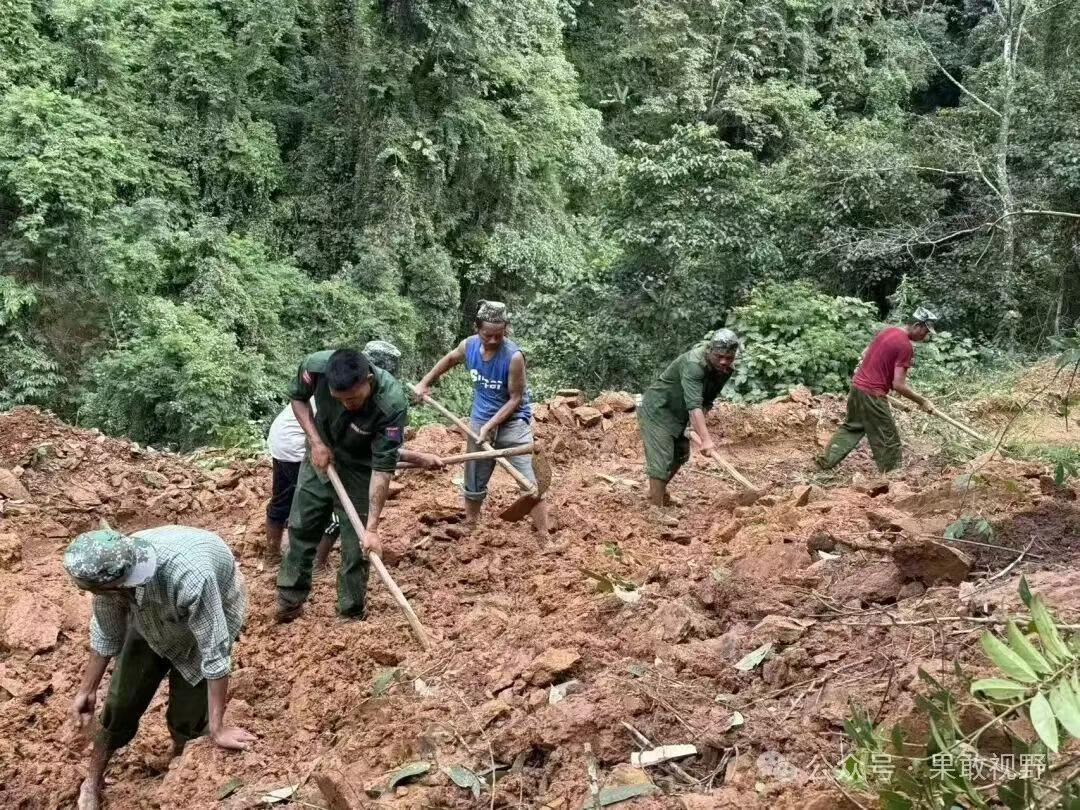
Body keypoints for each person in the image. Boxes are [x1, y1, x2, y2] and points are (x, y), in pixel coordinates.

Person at [65, 527, 251, 810]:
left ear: (118, 582)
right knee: (120, 703)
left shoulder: (190, 577)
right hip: (149, 621)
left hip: (203, 619)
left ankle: (180, 766)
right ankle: (92, 780)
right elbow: (107, 633)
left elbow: (214, 650)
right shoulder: (109, 574)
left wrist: (218, 727)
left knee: (187, 717)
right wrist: (87, 689)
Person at [264, 340, 440, 571]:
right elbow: (365, 451)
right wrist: (317, 444)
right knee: (324, 506)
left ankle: (278, 556)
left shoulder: (356, 385)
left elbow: (375, 451)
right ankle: (311, 561)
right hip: (295, 443)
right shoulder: (335, 383)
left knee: (287, 502)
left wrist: (420, 458)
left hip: (292, 440)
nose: (348, 403)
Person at [275, 347, 409, 622]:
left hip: (360, 468)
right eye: (341, 399)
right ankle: (289, 600)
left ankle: (349, 612)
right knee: (301, 526)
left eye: (354, 399)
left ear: (368, 381)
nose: (348, 404)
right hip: (320, 456)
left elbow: (383, 469)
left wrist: (372, 528)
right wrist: (315, 441)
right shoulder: (315, 366)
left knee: (356, 545)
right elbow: (298, 398)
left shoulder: (392, 404)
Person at [412, 301, 549, 534]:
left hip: (513, 423)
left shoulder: (514, 357)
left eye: (499, 335)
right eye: (488, 335)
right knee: (474, 476)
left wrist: (490, 426)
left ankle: (545, 534)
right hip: (480, 420)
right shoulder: (469, 346)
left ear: (505, 329)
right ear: (477, 328)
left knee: (530, 483)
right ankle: (471, 524)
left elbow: (515, 398)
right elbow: (449, 360)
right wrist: (424, 383)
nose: (494, 340)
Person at [816, 307, 938, 473]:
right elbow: (899, 385)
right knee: (888, 439)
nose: (925, 336)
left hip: (857, 388)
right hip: (873, 395)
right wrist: (922, 401)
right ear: (917, 325)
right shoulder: (905, 346)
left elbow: (865, 353)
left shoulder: (888, 331)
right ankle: (893, 479)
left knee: (852, 427)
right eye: (925, 331)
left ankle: (825, 461)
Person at [638, 328, 740, 509]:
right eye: (719, 356)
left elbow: (706, 400)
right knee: (661, 458)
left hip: (679, 412)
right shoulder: (694, 364)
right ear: (710, 351)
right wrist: (706, 440)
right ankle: (655, 509)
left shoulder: (725, 370)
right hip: (658, 409)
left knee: (680, 455)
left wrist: (693, 426)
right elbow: (694, 405)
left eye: (728, 357)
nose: (724, 361)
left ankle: (659, 492)